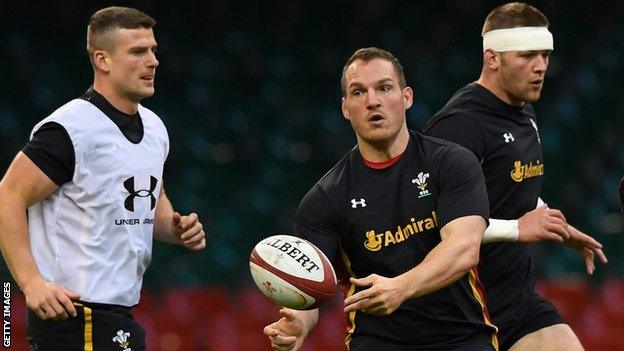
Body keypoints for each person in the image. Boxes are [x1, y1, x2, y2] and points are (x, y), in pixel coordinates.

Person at [264, 47, 498, 350]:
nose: (372, 100)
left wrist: (401, 287)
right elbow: (313, 285)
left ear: (407, 97)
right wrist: (298, 321)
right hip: (377, 342)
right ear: (346, 108)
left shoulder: (452, 162)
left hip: (463, 337)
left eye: (384, 88)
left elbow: (464, 249)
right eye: (358, 92)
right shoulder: (323, 200)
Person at [0, 7, 206, 351]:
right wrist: (31, 283)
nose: (153, 61)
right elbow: (8, 194)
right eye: (138, 52)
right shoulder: (70, 129)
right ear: (103, 60)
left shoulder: (155, 127)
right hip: (75, 314)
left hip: (116, 313)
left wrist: (174, 227)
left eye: (153, 50)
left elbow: (147, 202)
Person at [423, 3, 607, 351]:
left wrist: (552, 222)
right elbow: (431, 219)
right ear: (493, 58)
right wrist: (518, 229)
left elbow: (511, 184)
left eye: (545, 56)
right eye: (527, 56)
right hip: (462, 312)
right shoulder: (460, 125)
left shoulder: (524, 111)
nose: (540, 67)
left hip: (517, 302)